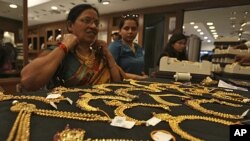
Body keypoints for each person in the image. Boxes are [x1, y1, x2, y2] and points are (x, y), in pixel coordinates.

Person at [21, 4, 124, 91]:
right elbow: (28, 80)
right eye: (87, 21)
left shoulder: (100, 54)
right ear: (70, 25)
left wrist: (108, 55)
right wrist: (65, 46)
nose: (93, 26)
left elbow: (118, 84)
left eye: (96, 23)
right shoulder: (59, 51)